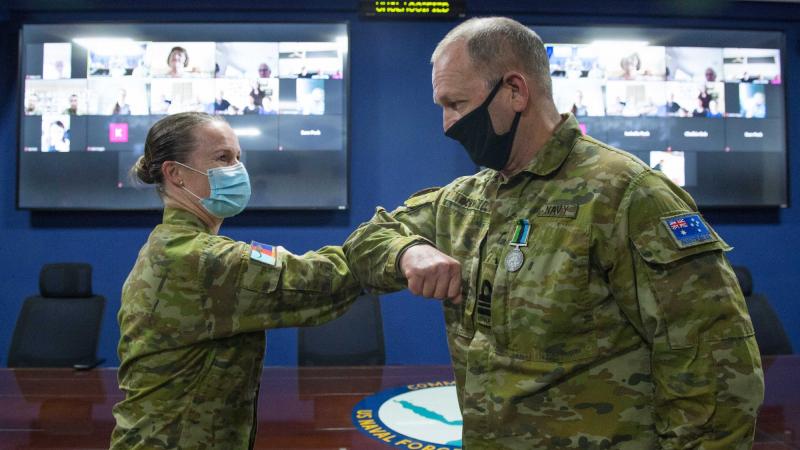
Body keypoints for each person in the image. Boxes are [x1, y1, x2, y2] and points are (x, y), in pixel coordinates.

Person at [343, 17, 763, 449]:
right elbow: (368, 240)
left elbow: (717, 381)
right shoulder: (469, 198)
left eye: (456, 104)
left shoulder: (627, 196)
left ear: (515, 91)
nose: (447, 125)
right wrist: (407, 250)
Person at [110, 112, 360, 449]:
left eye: (238, 158)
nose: (237, 170)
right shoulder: (195, 257)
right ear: (175, 173)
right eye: (223, 158)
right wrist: (399, 243)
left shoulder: (168, 244)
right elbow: (323, 281)